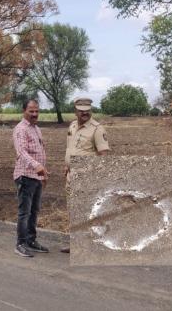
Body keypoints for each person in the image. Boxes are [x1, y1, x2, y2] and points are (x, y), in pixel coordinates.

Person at [62, 97, 110, 253]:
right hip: (71, 177)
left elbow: (103, 155)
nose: (85, 113)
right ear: (75, 111)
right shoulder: (73, 126)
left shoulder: (97, 129)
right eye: (81, 110)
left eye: (87, 110)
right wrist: (67, 166)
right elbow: (71, 148)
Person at [12, 99, 49, 257]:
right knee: (24, 212)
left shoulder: (36, 129)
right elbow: (21, 152)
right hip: (26, 175)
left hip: (37, 177)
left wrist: (44, 172)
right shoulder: (21, 129)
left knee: (34, 211)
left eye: (36, 111)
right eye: (31, 111)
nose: (34, 114)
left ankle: (31, 240)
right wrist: (36, 166)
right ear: (24, 111)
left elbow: (40, 151)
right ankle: (20, 243)